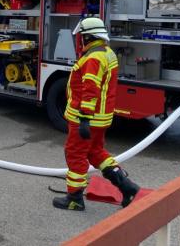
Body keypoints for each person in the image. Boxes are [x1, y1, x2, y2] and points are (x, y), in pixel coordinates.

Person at [52, 17, 140, 211]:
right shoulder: (107, 53)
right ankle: (128, 188)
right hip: (101, 118)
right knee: (96, 152)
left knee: (75, 154)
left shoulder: (93, 58)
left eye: (82, 37)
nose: (81, 40)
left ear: (89, 37)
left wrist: (84, 117)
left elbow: (90, 89)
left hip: (87, 118)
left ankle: (74, 198)